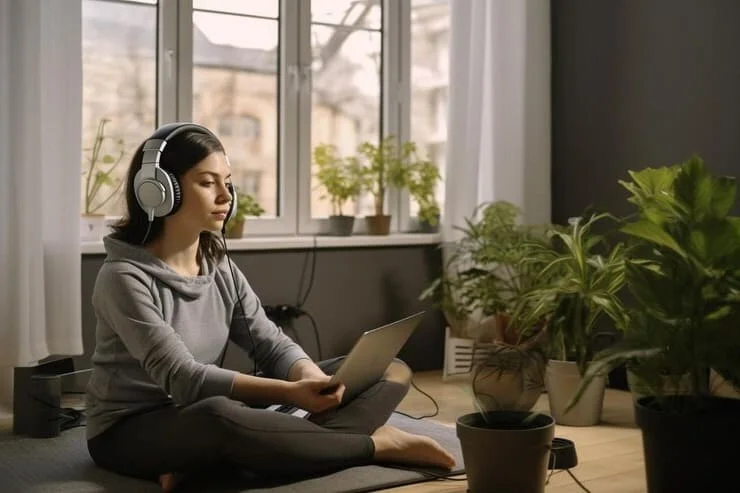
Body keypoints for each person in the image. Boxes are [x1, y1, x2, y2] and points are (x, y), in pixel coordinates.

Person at [85, 123, 456, 492]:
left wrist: (309, 377)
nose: (225, 195)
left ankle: (244, 456)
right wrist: (288, 394)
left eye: (227, 182)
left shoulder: (219, 265)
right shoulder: (123, 277)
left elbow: (268, 342)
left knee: (390, 369)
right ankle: (373, 445)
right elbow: (185, 379)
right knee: (223, 416)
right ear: (158, 193)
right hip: (131, 431)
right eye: (206, 182)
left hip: (203, 415)